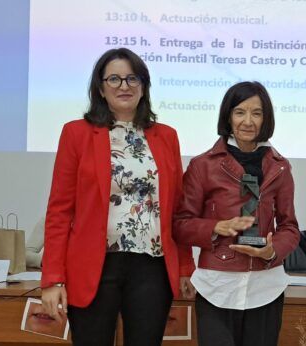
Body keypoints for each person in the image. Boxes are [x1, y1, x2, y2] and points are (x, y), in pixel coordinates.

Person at [40, 48, 195, 346]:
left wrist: (186, 267)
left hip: (152, 268)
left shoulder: (167, 137)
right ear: (100, 87)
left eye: (132, 78)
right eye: (114, 79)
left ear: (144, 86)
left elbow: (177, 210)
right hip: (94, 268)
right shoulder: (77, 134)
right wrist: (52, 279)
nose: (124, 86)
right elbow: (59, 212)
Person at [173, 81, 300, 346]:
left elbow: (290, 227)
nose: (248, 121)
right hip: (217, 285)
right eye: (240, 112)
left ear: (266, 118)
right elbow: (181, 225)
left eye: (257, 113)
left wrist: (272, 249)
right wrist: (215, 227)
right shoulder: (202, 165)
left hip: (266, 287)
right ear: (228, 116)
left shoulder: (280, 167)